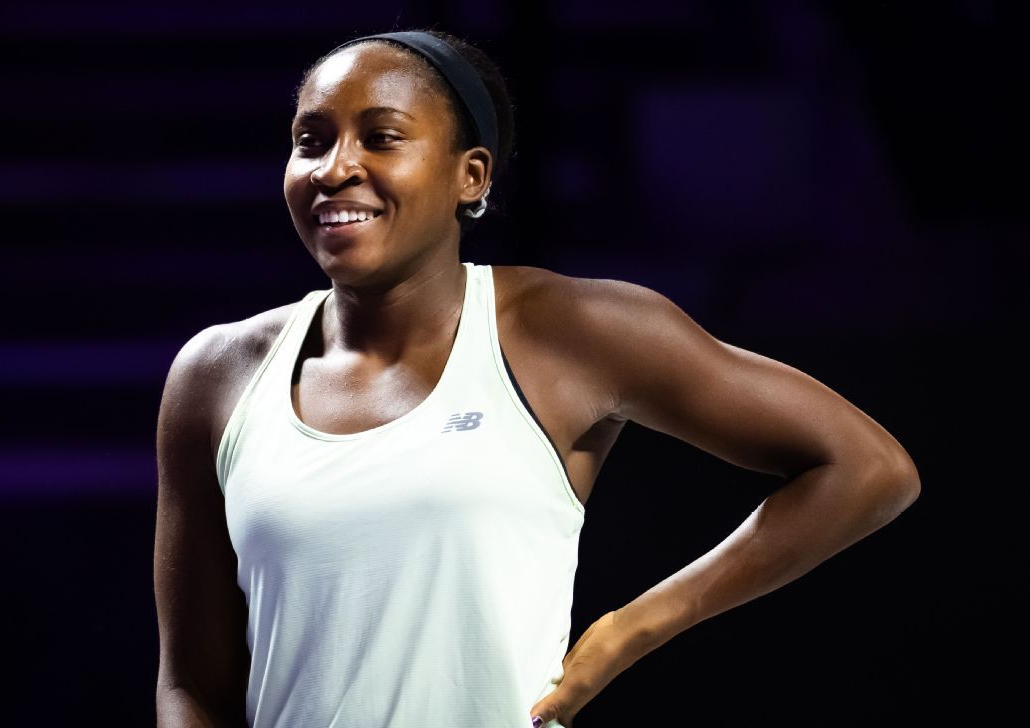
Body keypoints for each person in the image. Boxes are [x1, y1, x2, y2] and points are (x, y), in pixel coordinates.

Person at [153, 27, 920, 728]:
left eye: (381, 138)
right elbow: (191, 686)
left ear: (470, 176)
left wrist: (635, 627)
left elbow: (868, 467)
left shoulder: (568, 330)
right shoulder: (219, 374)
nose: (335, 167)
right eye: (310, 141)